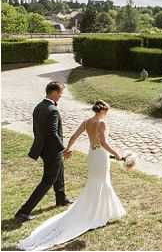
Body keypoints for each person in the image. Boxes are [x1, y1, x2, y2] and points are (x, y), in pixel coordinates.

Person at [18, 100, 126, 251]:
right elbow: (103, 142)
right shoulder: (102, 123)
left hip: (92, 155)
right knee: (103, 182)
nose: (107, 114)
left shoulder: (87, 122)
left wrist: (67, 149)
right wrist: (117, 154)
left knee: (96, 182)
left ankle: (102, 209)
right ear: (103, 110)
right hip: (101, 156)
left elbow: (74, 136)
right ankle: (101, 212)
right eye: (107, 111)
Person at [15, 82, 72, 222]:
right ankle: (24, 211)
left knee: (59, 172)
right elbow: (53, 133)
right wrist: (63, 149)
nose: (61, 95)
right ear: (53, 92)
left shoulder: (39, 106)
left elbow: (38, 130)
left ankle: (61, 198)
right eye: (60, 93)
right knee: (48, 180)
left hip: (43, 149)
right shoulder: (52, 109)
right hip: (52, 150)